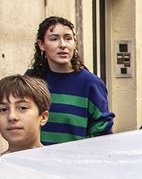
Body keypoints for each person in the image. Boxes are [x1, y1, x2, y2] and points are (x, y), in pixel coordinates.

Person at [25, 16, 114, 144]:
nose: (63, 45)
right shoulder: (30, 81)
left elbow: (102, 134)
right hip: (36, 160)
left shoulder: (91, 84)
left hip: (76, 161)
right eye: (54, 39)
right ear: (41, 45)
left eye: (68, 38)